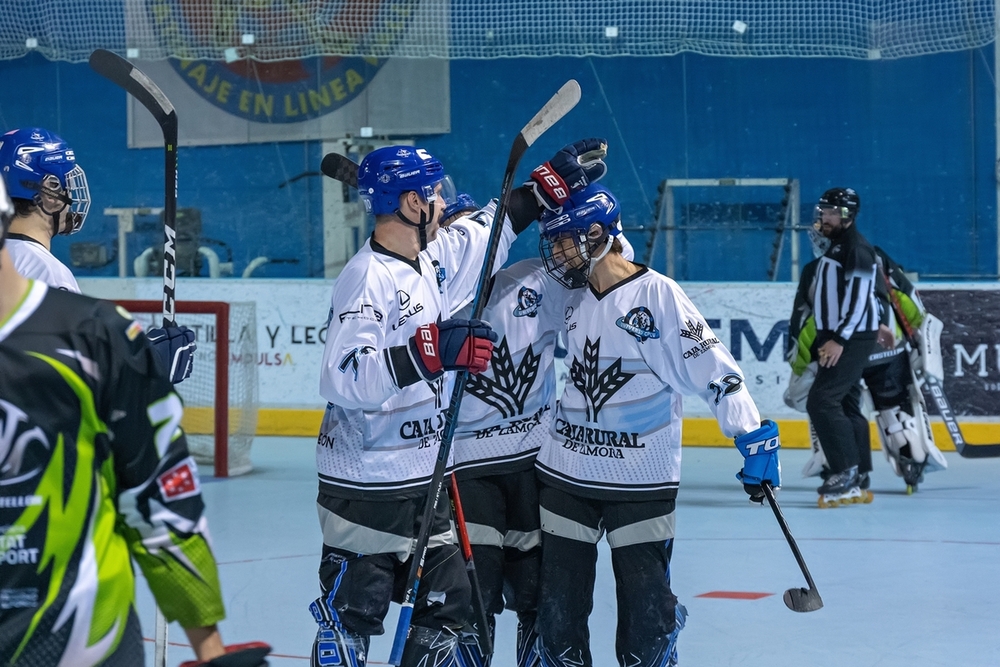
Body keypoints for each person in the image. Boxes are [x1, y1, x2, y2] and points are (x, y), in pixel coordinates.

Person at [311, 141, 603, 667]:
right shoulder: (366, 278)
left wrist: (541, 191)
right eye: (432, 194)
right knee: (354, 614)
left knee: (451, 608)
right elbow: (342, 376)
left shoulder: (432, 259)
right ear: (409, 204)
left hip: (426, 475)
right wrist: (427, 352)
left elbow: (491, 229)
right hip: (367, 481)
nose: (443, 203)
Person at [0, 174, 270, 666]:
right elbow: (159, 499)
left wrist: (132, 374)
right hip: (87, 635)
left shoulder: (93, 334)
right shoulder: (96, 332)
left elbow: (159, 493)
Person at [530, 183, 781, 667]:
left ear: (597, 234)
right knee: (558, 616)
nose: (557, 252)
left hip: (639, 478)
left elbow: (715, 369)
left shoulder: (658, 294)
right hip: (565, 474)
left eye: (564, 240)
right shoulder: (568, 295)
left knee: (646, 621)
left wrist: (750, 435)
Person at [445, 140, 617, 667]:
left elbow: (606, 277)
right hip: (466, 472)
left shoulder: (531, 284)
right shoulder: (429, 299)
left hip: (535, 467)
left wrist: (595, 229)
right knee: (471, 602)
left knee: (540, 599)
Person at [0, 127, 196, 384]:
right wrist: (144, 368)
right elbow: (63, 381)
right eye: (66, 184)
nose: (71, 196)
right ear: (49, 192)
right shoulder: (43, 271)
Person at [788, 232, 947, 493]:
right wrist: (924, 344)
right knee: (894, 412)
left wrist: (799, 367)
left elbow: (802, 324)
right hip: (886, 349)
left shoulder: (816, 270)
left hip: (843, 352)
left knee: (838, 409)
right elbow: (906, 299)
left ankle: (845, 467)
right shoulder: (874, 256)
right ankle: (912, 461)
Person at [802, 187, 881, 507]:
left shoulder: (856, 248)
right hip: (837, 336)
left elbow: (860, 298)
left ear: (848, 217)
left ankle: (845, 472)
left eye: (832, 213)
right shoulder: (837, 247)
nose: (825, 217)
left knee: (822, 401)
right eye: (823, 211)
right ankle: (858, 472)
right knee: (846, 404)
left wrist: (839, 340)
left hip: (848, 338)